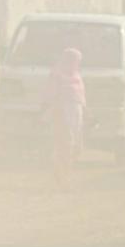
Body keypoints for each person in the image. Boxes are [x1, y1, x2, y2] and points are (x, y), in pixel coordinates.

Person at [44, 48, 86, 187]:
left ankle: (63, 174)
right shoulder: (56, 74)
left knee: (76, 147)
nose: (76, 64)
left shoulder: (77, 75)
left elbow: (81, 96)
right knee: (65, 146)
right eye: (74, 61)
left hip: (76, 115)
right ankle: (63, 178)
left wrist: (85, 111)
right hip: (61, 114)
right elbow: (51, 95)